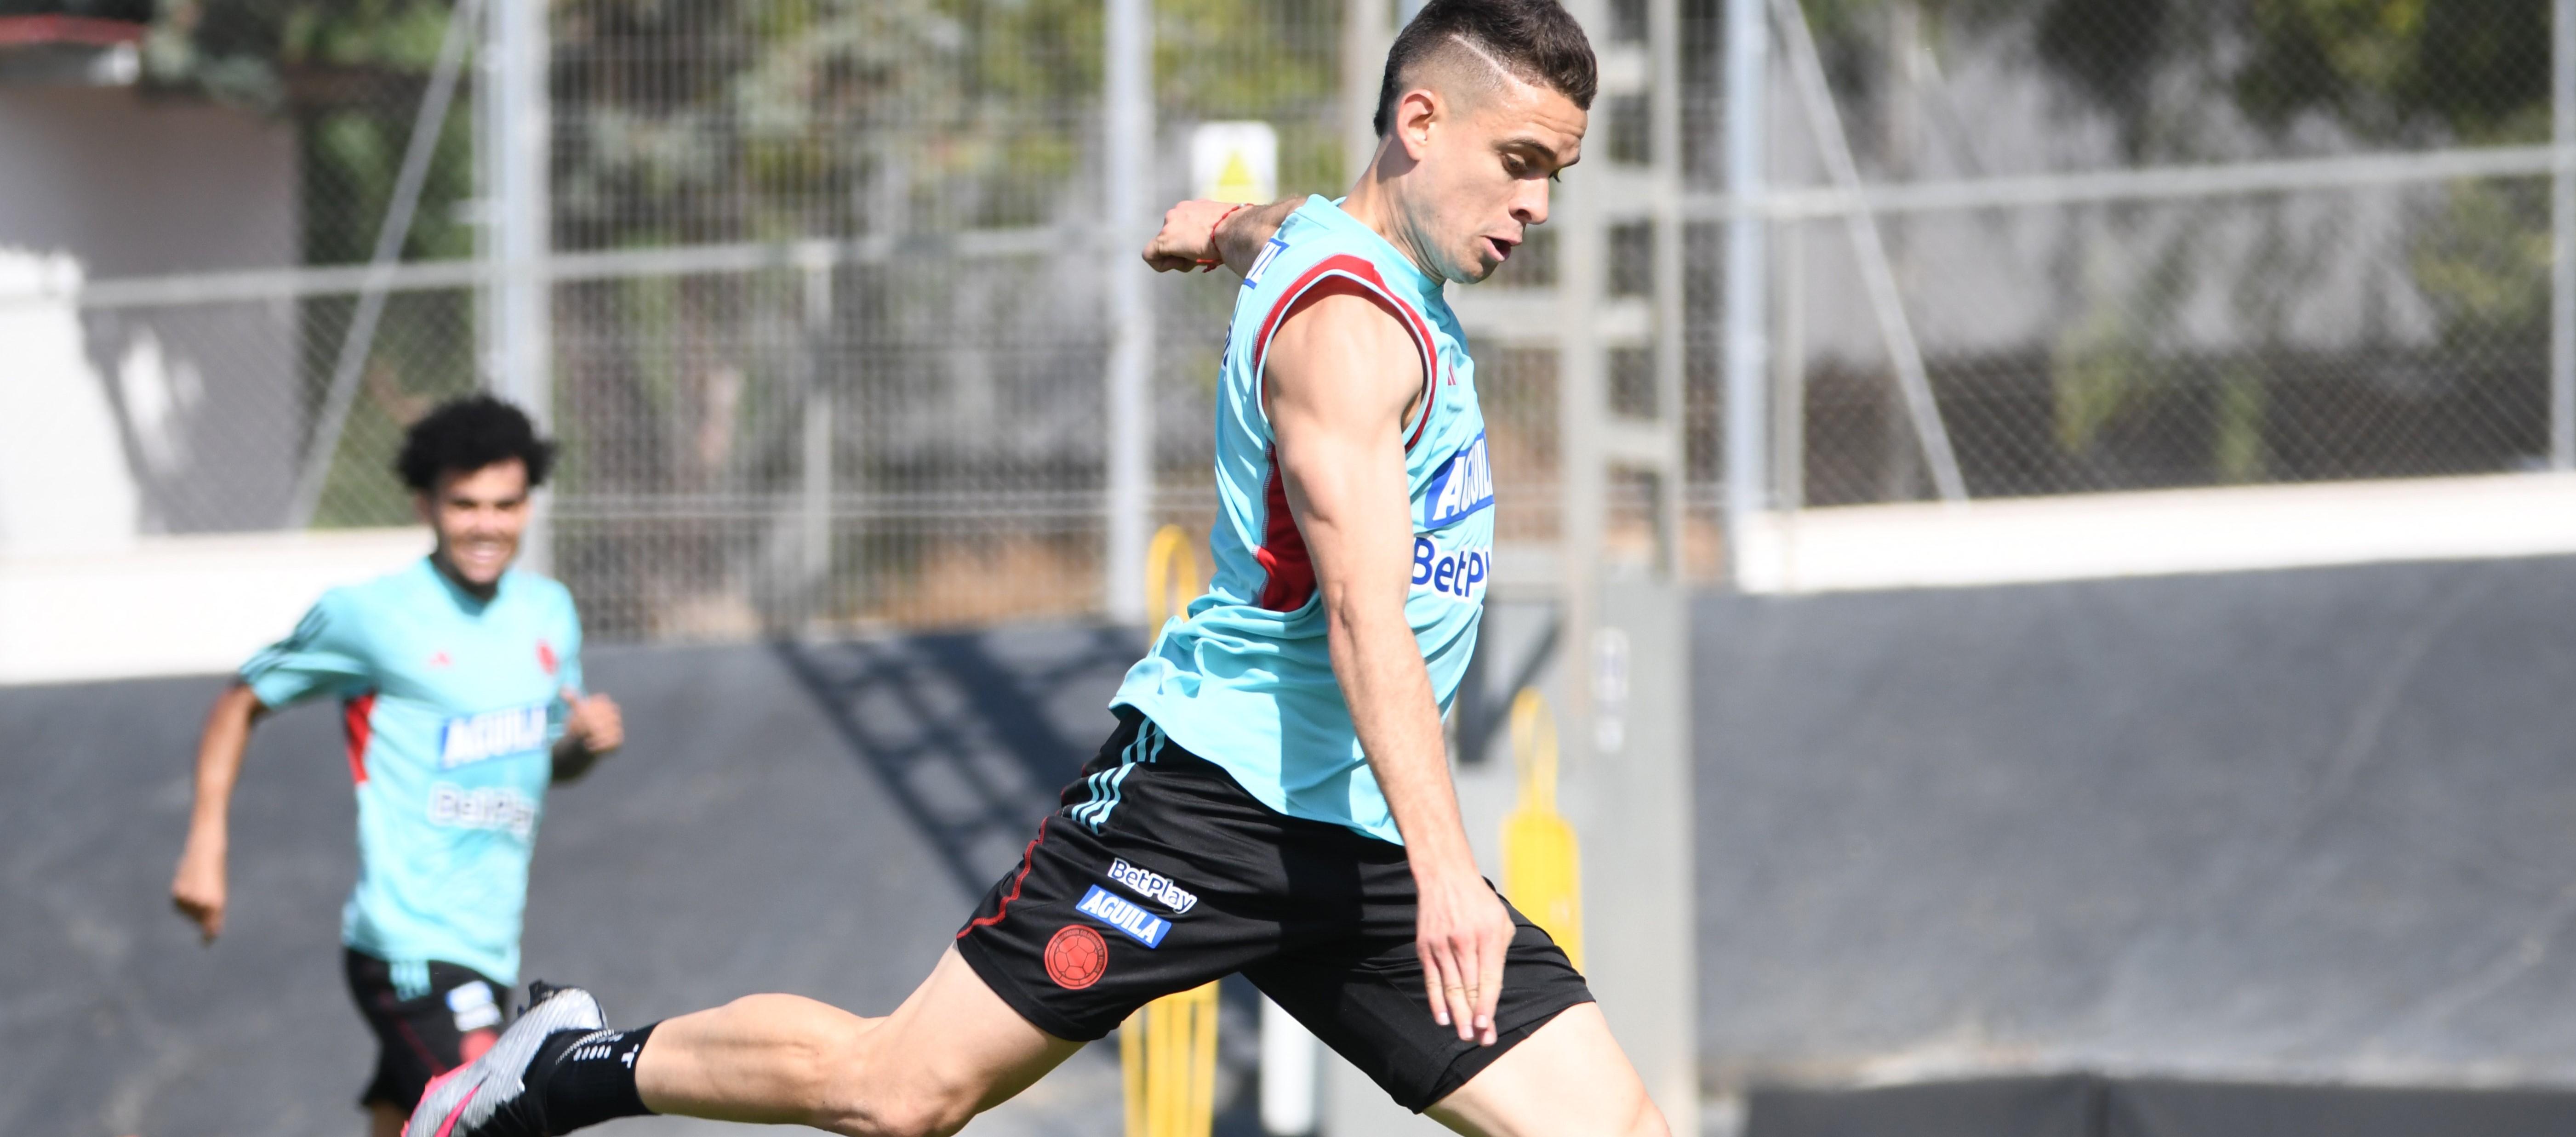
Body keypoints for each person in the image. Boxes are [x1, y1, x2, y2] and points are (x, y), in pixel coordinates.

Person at [407, 3, 1666, 1135]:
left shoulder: (1345, 243)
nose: (1537, 207)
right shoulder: (1346, 334)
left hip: (1357, 825)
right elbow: (1361, 614)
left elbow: (1294, 222)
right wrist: (1453, 876)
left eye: (1555, 174)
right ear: (1418, 120)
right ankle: (567, 1061)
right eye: (1519, 165)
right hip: (1216, 802)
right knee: (899, 1091)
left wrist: (1219, 227)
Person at [171, 394, 624, 1137]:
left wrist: (579, 745)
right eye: (465, 504)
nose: (487, 525)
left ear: (528, 505)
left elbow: (544, 766)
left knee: (405, 1118)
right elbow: (241, 700)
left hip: (489, 940)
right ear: (426, 503)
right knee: (498, 1111)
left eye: (506, 505)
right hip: (410, 943)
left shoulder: (550, 613)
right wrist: (205, 841)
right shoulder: (371, 615)